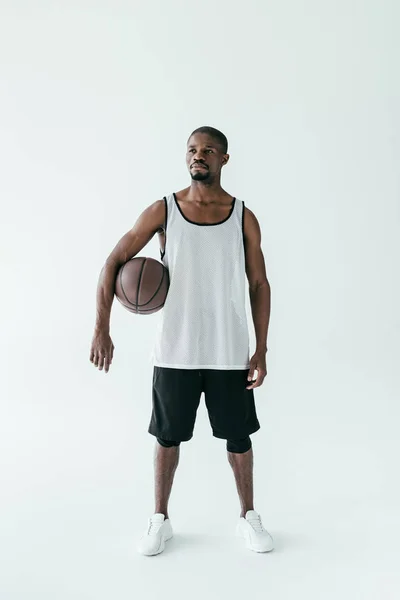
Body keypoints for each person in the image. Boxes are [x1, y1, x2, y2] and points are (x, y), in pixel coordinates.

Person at [90, 126, 273, 555]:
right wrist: (102, 325)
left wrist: (261, 347)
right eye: (192, 149)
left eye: (209, 150)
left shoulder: (243, 215)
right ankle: (160, 519)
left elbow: (260, 283)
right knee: (167, 437)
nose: (199, 156)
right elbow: (114, 260)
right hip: (176, 349)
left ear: (224, 159)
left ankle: (248, 516)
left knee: (239, 437)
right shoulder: (163, 210)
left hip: (229, 350)